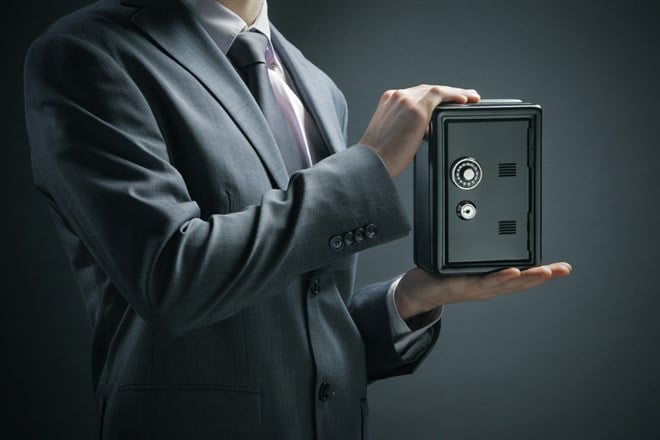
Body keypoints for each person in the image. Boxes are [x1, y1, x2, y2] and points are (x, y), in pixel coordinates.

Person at [23, 0, 571, 438]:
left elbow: (293, 324)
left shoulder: (315, 84)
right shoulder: (88, 53)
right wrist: (371, 164)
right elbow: (171, 279)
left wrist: (412, 299)